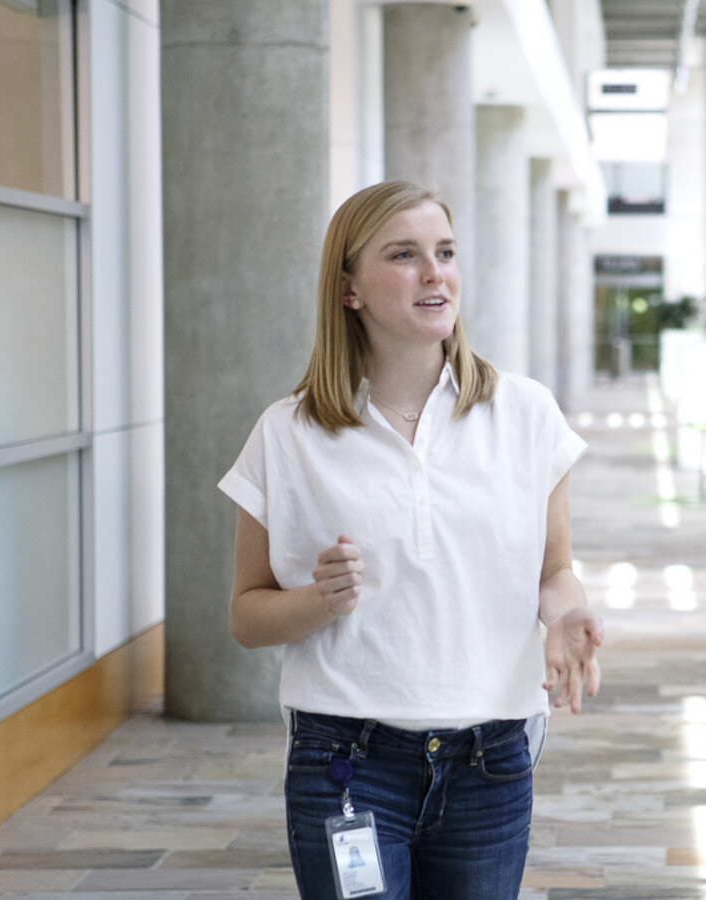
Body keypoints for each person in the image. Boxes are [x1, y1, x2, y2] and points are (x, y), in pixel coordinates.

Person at [218, 180, 603, 900]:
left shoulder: (525, 414)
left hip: (491, 758)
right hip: (347, 761)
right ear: (349, 290)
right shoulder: (289, 432)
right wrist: (318, 601)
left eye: (446, 252)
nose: (435, 273)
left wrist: (567, 613)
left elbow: (554, 571)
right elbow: (246, 615)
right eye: (404, 255)